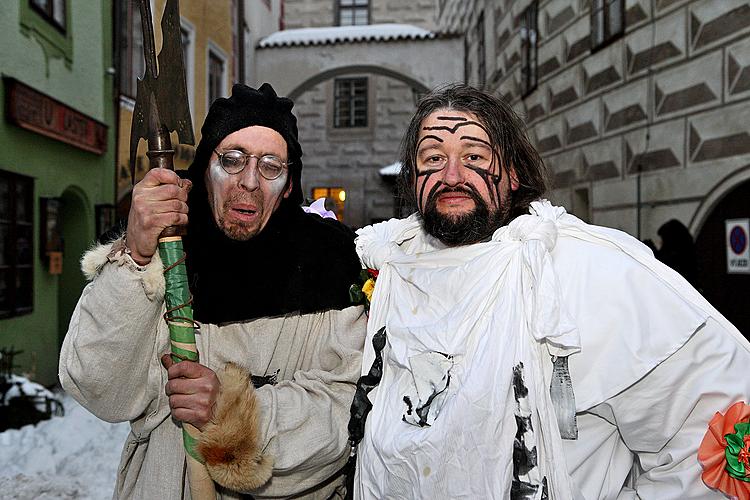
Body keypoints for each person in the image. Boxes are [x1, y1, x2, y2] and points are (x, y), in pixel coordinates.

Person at [350, 83, 750, 499]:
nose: (452, 175)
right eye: (434, 158)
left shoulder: (588, 270)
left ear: (514, 172)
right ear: (413, 177)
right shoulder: (395, 269)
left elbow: (704, 426)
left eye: (474, 157)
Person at [59, 83, 366, 499]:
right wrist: (134, 258)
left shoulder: (330, 261)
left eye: (271, 165)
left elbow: (345, 410)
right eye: (232, 159)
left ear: (290, 184)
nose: (250, 181)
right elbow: (101, 389)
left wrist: (233, 412)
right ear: (205, 168)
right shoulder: (162, 251)